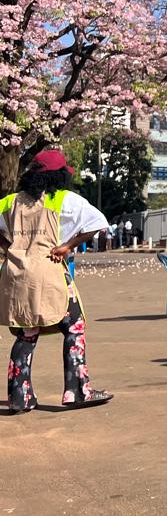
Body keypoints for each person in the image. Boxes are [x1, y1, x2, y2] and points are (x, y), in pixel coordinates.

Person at [1, 149, 113, 413]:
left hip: (17, 274)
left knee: (27, 332)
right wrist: (67, 246)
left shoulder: (10, 201)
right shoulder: (64, 199)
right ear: (59, 175)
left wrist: (8, 246)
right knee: (74, 326)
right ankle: (78, 391)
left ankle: (19, 396)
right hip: (49, 272)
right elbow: (98, 222)